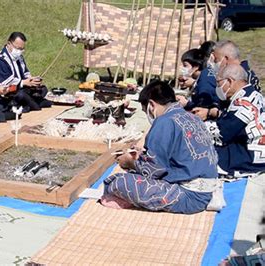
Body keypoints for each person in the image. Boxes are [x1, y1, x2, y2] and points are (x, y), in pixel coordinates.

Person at [101, 80, 222, 214]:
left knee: (118, 182)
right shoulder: (193, 117)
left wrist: (130, 162)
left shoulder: (164, 121)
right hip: (208, 190)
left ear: (151, 105)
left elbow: (153, 171)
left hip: (188, 196)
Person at [204, 64, 265, 178]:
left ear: (229, 81)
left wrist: (195, 126)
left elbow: (222, 134)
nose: (217, 87)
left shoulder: (244, 102)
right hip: (253, 148)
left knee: (200, 155)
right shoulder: (253, 94)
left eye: (218, 83)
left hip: (249, 155)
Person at [192, 40, 261, 120]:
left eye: (216, 60)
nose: (214, 63)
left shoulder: (243, 79)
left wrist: (210, 113)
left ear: (226, 59)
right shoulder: (244, 74)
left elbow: (239, 114)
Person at [0, 32, 51, 113]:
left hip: (22, 88)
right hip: (8, 92)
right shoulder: (0, 60)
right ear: (9, 44)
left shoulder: (19, 57)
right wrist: (24, 82)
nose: (19, 51)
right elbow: (6, 82)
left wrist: (32, 80)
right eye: (18, 48)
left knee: (43, 89)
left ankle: (30, 103)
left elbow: (25, 72)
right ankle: (34, 105)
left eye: (22, 49)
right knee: (22, 95)